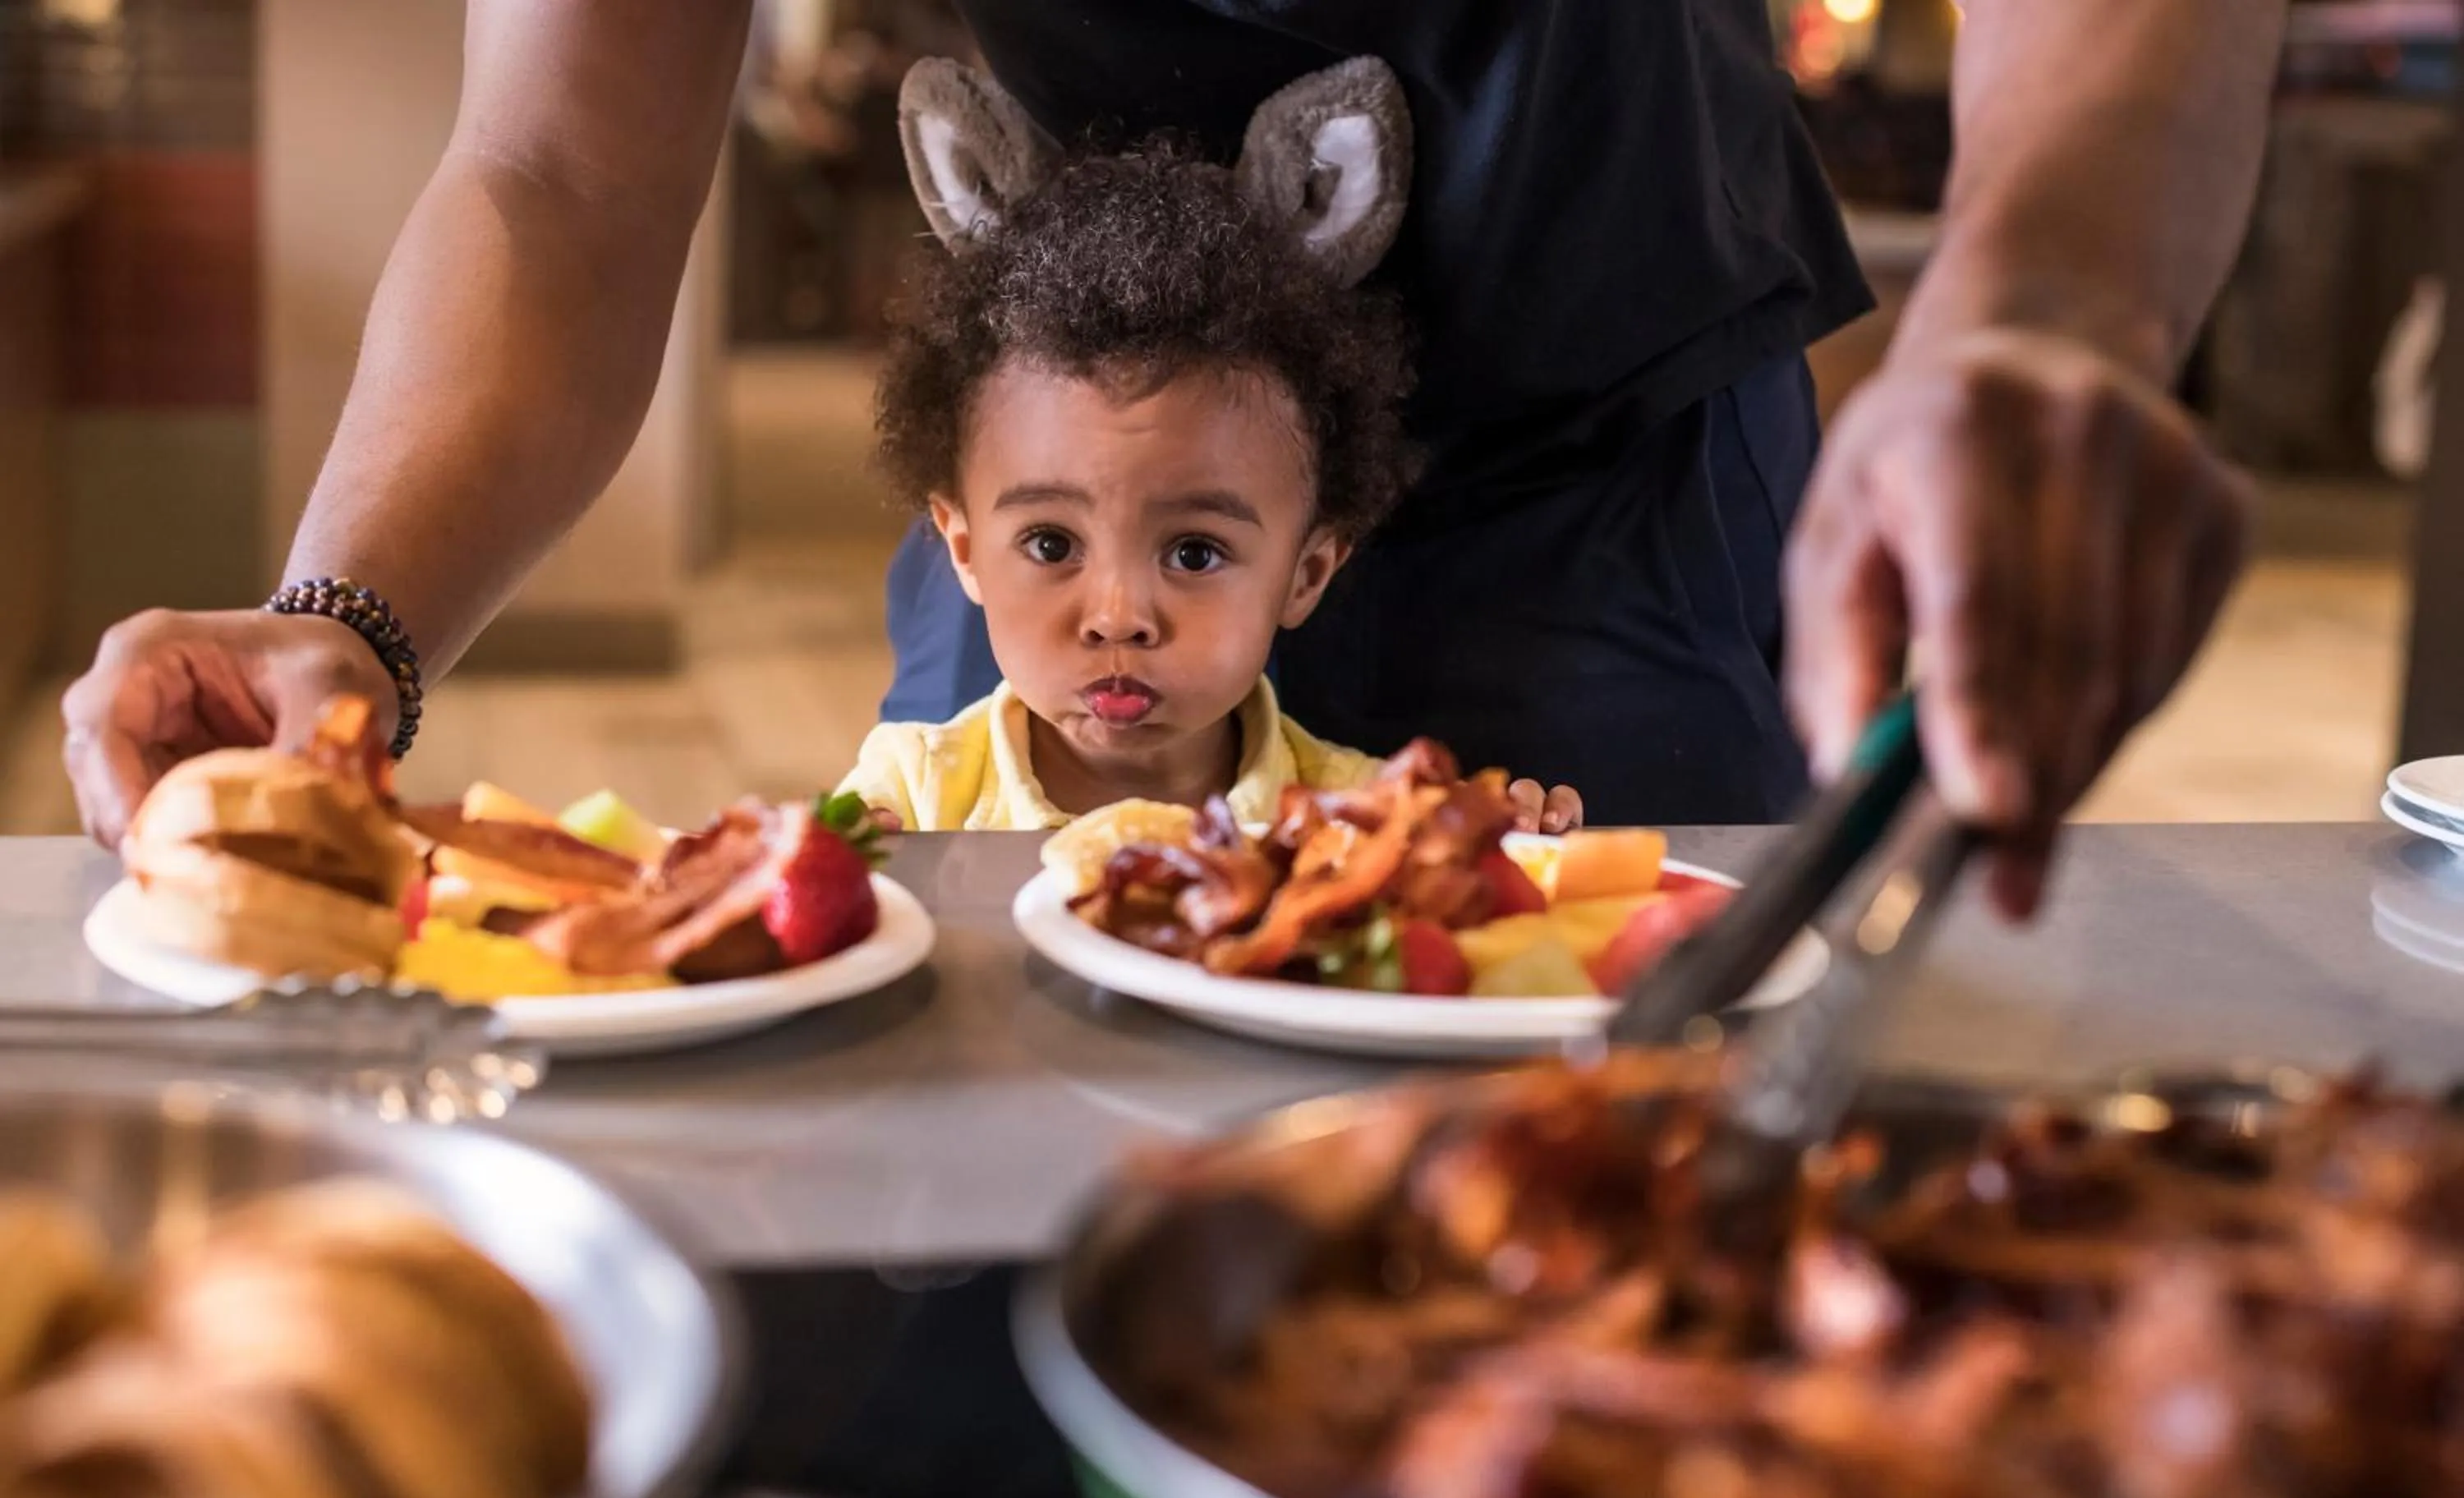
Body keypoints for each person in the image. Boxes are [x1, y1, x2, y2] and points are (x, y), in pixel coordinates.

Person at [61, 0, 2281, 921]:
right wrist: (343, 618)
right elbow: (557, 170)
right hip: (1086, 456)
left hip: (1618, 498)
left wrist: (2047, 310)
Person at [838, 69, 1579, 834]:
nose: (1119, 617)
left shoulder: (1363, 819)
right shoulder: (911, 793)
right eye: (1051, 543)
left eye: (1194, 553)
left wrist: (1504, 852)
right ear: (963, 549)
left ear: (1306, 573)